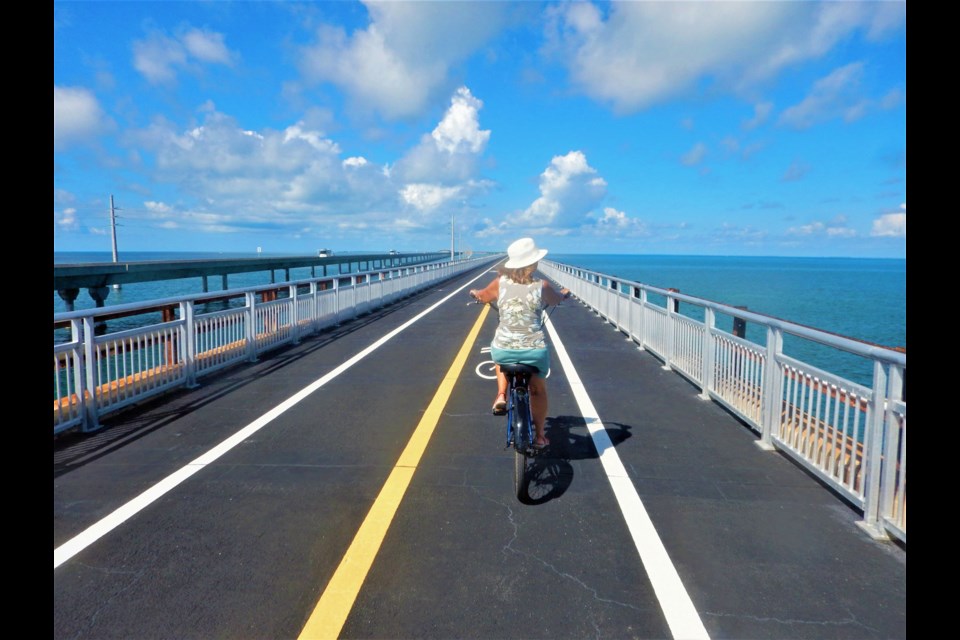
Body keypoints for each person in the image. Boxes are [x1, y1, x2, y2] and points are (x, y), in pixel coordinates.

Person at [469, 237, 570, 448]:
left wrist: (475, 294)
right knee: (538, 390)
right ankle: (540, 435)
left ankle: (500, 395)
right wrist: (563, 294)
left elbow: (483, 296)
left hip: (504, 349)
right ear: (533, 263)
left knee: (499, 355)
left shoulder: (499, 283)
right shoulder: (541, 286)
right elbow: (556, 299)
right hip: (534, 351)